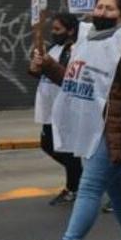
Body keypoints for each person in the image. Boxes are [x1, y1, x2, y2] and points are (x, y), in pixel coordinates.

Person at [34, 0, 121, 240]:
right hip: (89, 126)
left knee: (89, 187)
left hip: (112, 131)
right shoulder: (87, 43)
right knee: (118, 187)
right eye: (99, 7)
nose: (102, 13)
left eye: (110, 9)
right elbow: (74, 80)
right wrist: (49, 66)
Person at [30, 12, 83, 206]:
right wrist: (35, 66)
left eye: (57, 29)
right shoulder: (53, 48)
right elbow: (40, 72)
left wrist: (46, 65)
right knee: (50, 144)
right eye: (52, 29)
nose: (53, 33)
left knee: (64, 148)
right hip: (48, 105)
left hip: (64, 106)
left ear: (70, 30)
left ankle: (74, 185)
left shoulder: (74, 50)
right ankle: (76, 182)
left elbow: (65, 76)